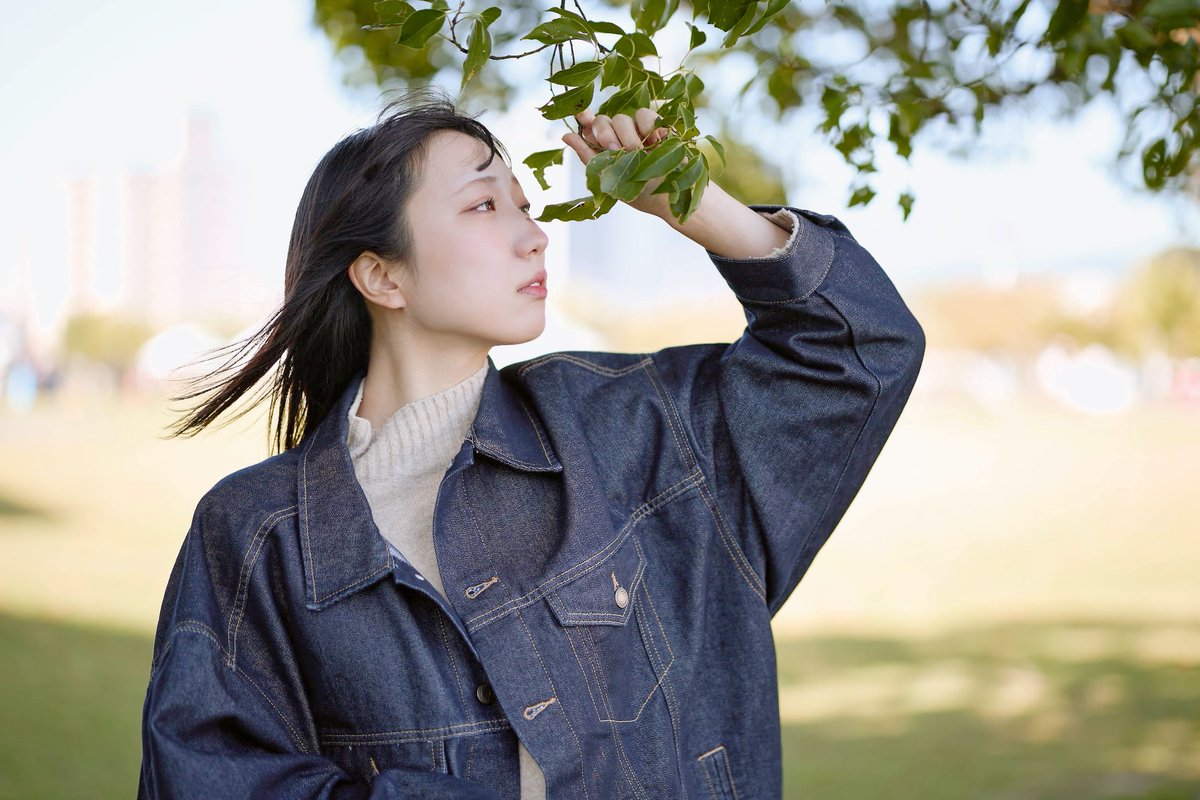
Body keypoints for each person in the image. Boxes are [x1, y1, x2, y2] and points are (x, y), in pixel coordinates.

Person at [137, 85, 926, 800]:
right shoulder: (258, 534)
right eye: (485, 206)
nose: (536, 235)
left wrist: (693, 200)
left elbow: (860, 353)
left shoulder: (630, 429)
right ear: (383, 277)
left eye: (523, 204)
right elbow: (207, 777)